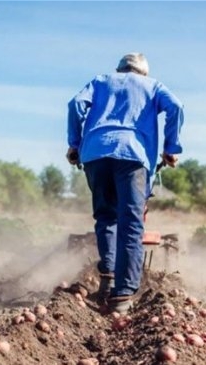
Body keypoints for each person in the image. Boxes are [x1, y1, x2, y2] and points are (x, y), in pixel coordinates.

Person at [65, 52, 184, 314]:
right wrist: (170, 147)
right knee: (131, 222)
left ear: (119, 70)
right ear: (143, 72)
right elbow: (175, 107)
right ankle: (123, 295)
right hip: (133, 155)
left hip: (95, 152)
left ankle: (108, 277)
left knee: (106, 216)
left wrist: (74, 144)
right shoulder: (153, 86)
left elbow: (75, 104)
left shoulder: (101, 81)